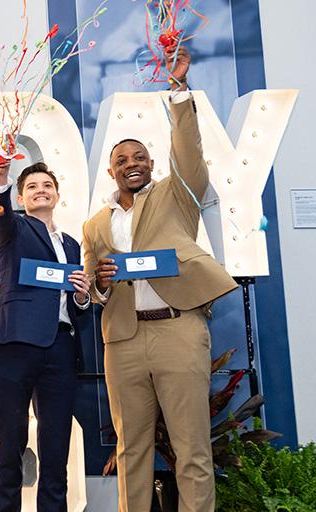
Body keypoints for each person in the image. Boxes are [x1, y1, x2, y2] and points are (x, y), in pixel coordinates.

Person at [82, 46, 236, 512]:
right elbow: (92, 290)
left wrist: (178, 92)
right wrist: (102, 285)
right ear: (112, 170)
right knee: (131, 451)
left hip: (177, 329)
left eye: (141, 156)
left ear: (151, 164)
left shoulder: (177, 194)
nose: (133, 163)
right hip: (123, 340)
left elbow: (189, 153)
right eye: (123, 158)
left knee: (192, 450)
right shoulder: (95, 224)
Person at [0, 158, 92, 511]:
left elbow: (78, 306)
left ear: (58, 195)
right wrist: (1, 178)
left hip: (61, 347)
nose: (40, 191)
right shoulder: (14, 228)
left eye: (47, 185)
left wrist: (81, 296)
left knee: (56, 447)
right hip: (15, 343)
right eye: (32, 187)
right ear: (21, 197)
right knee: (10, 444)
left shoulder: (73, 245)